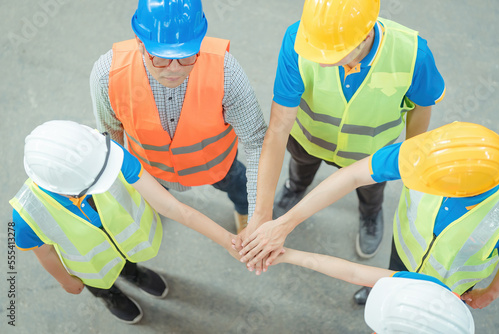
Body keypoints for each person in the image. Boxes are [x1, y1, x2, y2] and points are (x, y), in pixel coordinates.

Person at [240, 0, 445, 268]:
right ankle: (294, 188)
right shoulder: (299, 39)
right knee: (299, 169)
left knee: (371, 191)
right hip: (307, 140)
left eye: (333, 55)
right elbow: (278, 129)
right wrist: (261, 211)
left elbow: (421, 106)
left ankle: (370, 214)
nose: (322, 64)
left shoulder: (413, 54)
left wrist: (410, 156)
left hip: (370, 155)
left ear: (366, 35)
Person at [237, 121, 499, 309]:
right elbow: (352, 175)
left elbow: (353, 272)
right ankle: (380, 287)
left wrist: (491, 292)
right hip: (405, 246)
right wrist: (284, 224)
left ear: (458, 191)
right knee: (390, 274)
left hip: (449, 286)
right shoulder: (428, 155)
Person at [10, 120, 239, 324]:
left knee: (125, 259)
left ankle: (132, 273)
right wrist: (65, 281)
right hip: (88, 265)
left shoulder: (107, 155)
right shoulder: (28, 213)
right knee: (98, 280)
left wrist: (228, 241)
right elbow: (45, 253)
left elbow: (171, 207)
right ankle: (109, 295)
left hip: (122, 244)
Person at [90, 0, 267, 234]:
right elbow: (111, 142)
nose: (174, 69)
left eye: (186, 56)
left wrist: (257, 214)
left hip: (216, 165)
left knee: (238, 184)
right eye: (160, 58)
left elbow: (256, 141)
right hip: (152, 170)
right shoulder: (107, 77)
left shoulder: (226, 72)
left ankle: (244, 209)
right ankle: (158, 205)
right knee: (159, 198)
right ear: (139, 42)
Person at [273, 248, 475, 333]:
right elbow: (353, 273)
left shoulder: (429, 288)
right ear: (455, 297)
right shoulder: (423, 288)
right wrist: (287, 255)